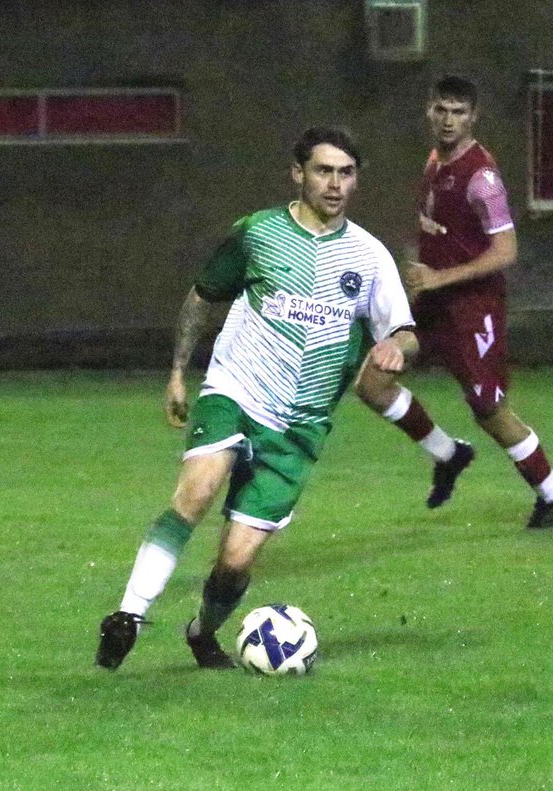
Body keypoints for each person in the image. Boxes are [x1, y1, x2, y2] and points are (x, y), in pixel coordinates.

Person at [96, 126, 418, 670]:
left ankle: (202, 632)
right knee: (196, 493)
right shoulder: (257, 233)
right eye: (324, 170)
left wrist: (395, 346)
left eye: (346, 173)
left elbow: (405, 329)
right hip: (237, 390)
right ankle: (128, 614)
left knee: (235, 560)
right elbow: (202, 298)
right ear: (298, 174)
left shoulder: (369, 257)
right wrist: (178, 372)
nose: (335, 184)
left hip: (298, 428)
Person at [355, 75, 553, 529]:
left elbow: (505, 252)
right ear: (429, 111)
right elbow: (440, 228)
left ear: (473, 116)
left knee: (489, 410)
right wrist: (418, 268)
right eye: (442, 109)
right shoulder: (436, 161)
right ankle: (449, 454)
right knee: (373, 383)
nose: (449, 119)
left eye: (459, 112)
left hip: (473, 311)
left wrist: (440, 275)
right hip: (433, 306)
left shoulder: (483, 179)